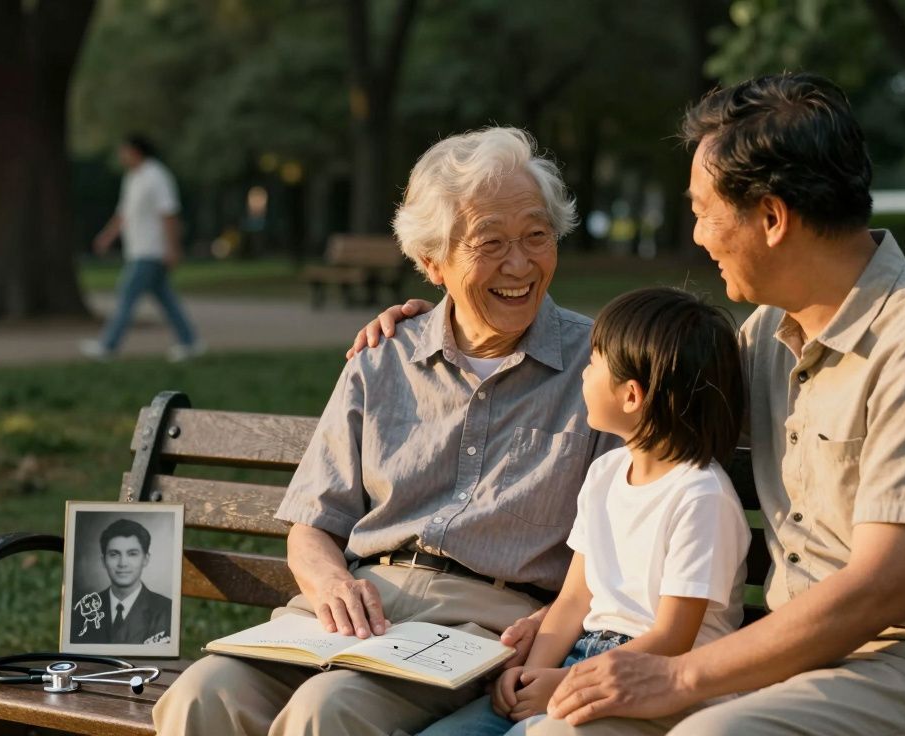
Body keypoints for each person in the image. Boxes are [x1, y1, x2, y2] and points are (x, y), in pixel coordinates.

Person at [355, 73, 905, 736]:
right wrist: (460, 326)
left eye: (703, 213)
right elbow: (638, 388)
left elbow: (882, 589)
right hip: (797, 663)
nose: (696, 237)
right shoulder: (773, 337)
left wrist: (679, 677)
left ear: (772, 218)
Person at [152, 127, 620, 736]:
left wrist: (557, 620)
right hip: (356, 608)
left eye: (537, 236)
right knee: (201, 694)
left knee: (330, 712)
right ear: (432, 263)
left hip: (486, 625)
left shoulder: (605, 367)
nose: (520, 263)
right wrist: (331, 583)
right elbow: (312, 524)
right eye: (490, 242)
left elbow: (625, 535)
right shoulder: (383, 357)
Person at [418, 287, 750, 736]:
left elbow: (673, 639)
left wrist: (565, 684)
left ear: (631, 395)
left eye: (594, 363)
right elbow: (576, 597)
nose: (583, 374)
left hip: (659, 687)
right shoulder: (607, 473)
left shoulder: (701, 497)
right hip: (581, 662)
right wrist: (530, 678)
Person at [80, 135, 203, 362]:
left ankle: (108, 346)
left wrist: (172, 248)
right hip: (138, 250)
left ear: (136, 151)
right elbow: (123, 214)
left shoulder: (157, 176)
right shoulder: (133, 178)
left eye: (123, 151)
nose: (121, 156)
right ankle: (190, 342)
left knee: (126, 295)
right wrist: (107, 237)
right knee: (166, 298)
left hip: (152, 250)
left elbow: (169, 214)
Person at [70, 518, 173, 645]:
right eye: (114, 554)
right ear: (103, 561)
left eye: (132, 554)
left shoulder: (167, 610)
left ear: (145, 559)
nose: (123, 563)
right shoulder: (82, 609)